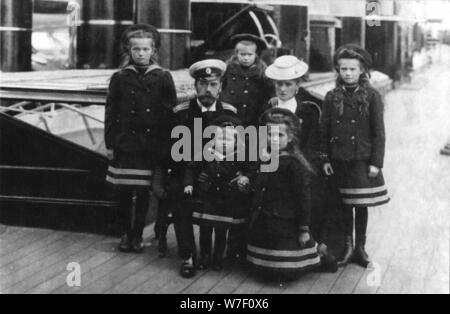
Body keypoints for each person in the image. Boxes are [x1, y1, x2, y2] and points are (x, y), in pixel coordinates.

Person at [155, 59, 238, 278]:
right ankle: (188, 256)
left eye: (213, 84)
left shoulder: (230, 113)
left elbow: (238, 149)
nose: (207, 89)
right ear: (195, 86)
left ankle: (226, 254)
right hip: (187, 174)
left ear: (220, 87)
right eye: (202, 84)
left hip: (219, 175)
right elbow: (169, 152)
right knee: (179, 198)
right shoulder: (181, 113)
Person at [105, 24, 177, 253]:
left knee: (144, 193)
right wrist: (110, 143)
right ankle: (126, 234)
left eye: (145, 49)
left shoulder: (163, 76)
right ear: (129, 50)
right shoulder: (120, 77)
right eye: (136, 49)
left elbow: (170, 113)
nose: (141, 53)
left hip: (150, 146)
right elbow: (111, 112)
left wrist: (166, 146)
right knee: (123, 192)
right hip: (126, 144)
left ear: (153, 50)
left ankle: (137, 235)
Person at [265, 55, 337, 272]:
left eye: (288, 84)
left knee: (310, 197)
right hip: (272, 164)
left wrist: (295, 163)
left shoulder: (309, 109)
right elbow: (262, 139)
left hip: (299, 164)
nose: (283, 89)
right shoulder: (268, 108)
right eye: (279, 84)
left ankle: (314, 250)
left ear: (297, 84)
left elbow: (312, 143)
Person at [321, 44, 390, 268]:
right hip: (339, 160)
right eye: (343, 69)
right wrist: (325, 159)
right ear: (338, 71)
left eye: (352, 69)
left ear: (362, 71)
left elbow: (379, 132)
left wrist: (376, 163)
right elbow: (324, 131)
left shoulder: (372, 96)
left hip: (361, 159)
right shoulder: (331, 97)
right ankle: (347, 246)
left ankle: (360, 247)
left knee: (361, 205)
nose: (348, 73)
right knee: (343, 205)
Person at [247, 108, 321, 280]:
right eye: (269, 134)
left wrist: (303, 229)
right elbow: (260, 184)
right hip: (265, 218)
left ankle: (322, 255)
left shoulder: (294, 165)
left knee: (285, 270)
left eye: (279, 135)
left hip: (285, 220)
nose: (273, 139)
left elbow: (303, 199)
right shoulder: (265, 159)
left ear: (290, 138)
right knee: (262, 266)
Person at [184, 113, 252, 271]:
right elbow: (190, 167)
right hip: (208, 198)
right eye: (220, 139)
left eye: (227, 140)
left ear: (236, 142)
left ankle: (217, 259)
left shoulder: (239, 157)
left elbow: (251, 170)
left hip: (226, 200)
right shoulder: (206, 154)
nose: (222, 143)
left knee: (222, 231)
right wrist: (189, 184)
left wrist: (246, 177)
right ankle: (205, 257)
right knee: (205, 229)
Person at [221, 33, 273, 127]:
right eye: (243, 54)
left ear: (256, 55)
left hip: (254, 114)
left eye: (250, 54)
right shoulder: (228, 68)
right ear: (236, 54)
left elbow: (270, 88)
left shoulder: (262, 70)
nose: (246, 58)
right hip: (231, 113)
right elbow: (221, 85)